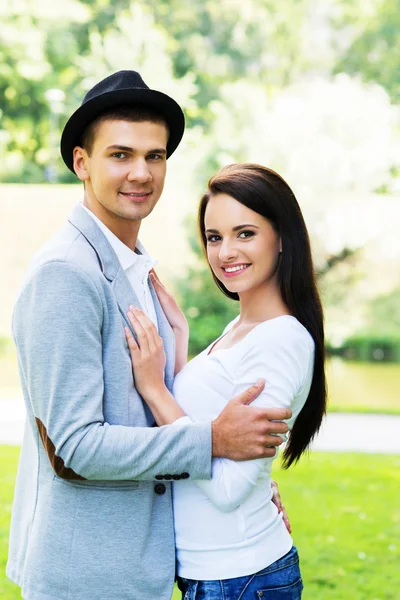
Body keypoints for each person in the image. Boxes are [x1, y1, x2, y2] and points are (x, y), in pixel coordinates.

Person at [6, 71, 292, 600]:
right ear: (81, 163)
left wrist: (243, 481)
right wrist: (212, 442)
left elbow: (150, 410)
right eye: (121, 154)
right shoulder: (65, 274)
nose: (141, 172)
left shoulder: (133, 267)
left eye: (154, 156)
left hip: (142, 571)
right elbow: (76, 446)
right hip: (87, 577)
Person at [124, 163, 327, 599]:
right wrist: (179, 341)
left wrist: (155, 392)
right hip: (219, 575)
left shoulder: (280, 339)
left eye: (245, 233)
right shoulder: (243, 328)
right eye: (215, 237)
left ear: (282, 239)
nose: (226, 252)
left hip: (241, 578)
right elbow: (213, 426)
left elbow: (228, 489)